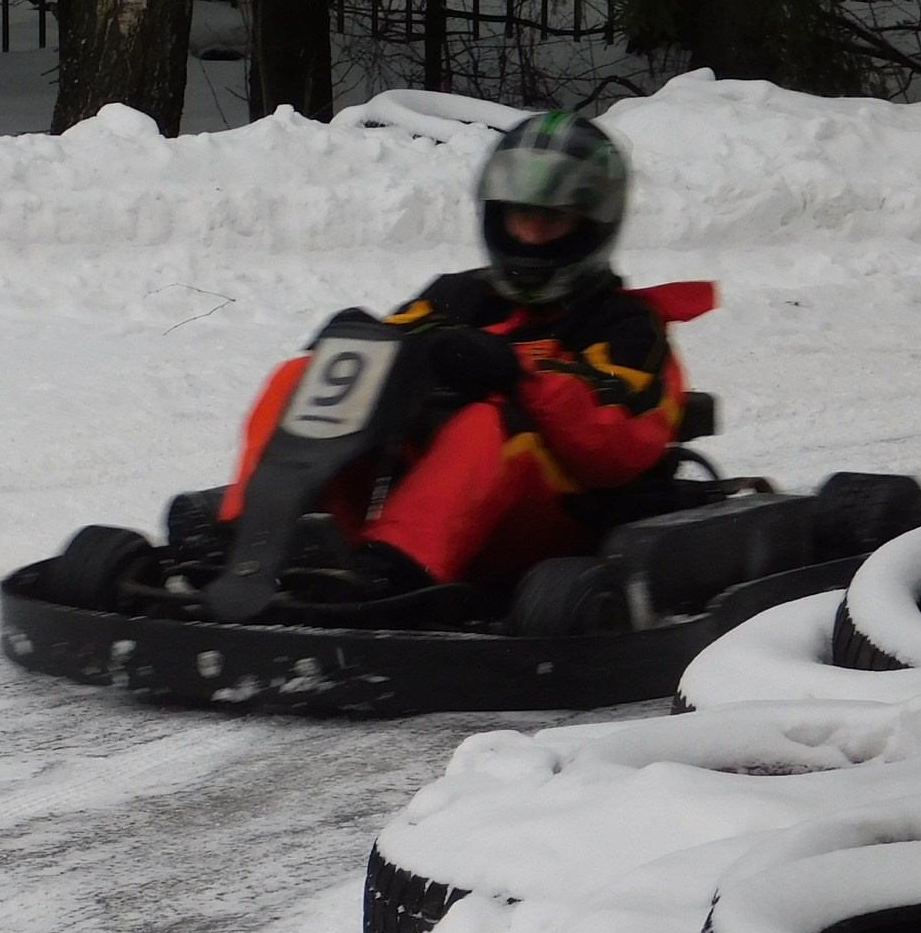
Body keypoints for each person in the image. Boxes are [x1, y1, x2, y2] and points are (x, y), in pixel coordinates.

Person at [217, 111, 714, 600]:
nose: (532, 235)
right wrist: (355, 339)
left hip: (546, 524)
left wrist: (515, 372)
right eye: (521, 216)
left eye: (552, 219)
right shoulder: (458, 297)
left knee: (489, 423)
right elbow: (388, 354)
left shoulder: (628, 327)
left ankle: (394, 565)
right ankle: (258, 534)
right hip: (433, 500)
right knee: (301, 375)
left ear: (591, 225)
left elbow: (618, 446)